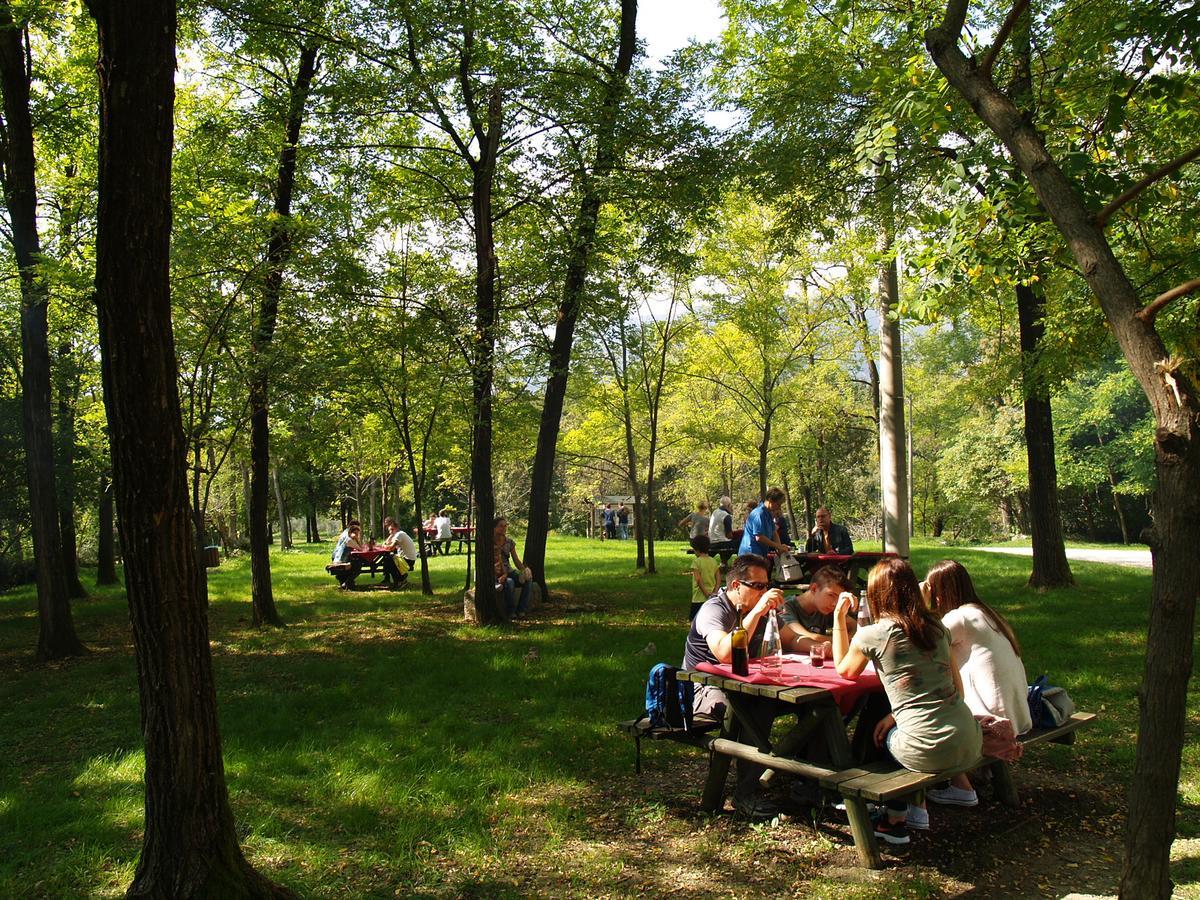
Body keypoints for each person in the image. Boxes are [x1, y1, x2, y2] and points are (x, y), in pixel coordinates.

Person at [833, 558, 982, 845]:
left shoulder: (874, 634)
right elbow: (957, 691)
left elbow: (844, 670)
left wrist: (839, 618)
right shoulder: (937, 629)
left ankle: (895, 819)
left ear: (877, 595)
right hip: (969, 740)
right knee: (887, 722)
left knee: (881, 736)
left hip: (926, 747)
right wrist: (895, 714)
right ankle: (916, 808)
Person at [682, 553, 785, 819]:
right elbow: (725, 653)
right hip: (700, 690)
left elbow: (790, 637)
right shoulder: (713, 609)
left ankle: (807, 781)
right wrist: (760, 610)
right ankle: (745, 794)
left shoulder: (755, 609)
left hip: (740, 685)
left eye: (767, 585)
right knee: (753, 706)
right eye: (758, 586)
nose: (765, 591)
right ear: (737, 586)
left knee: (812, 704)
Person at [922, 559, 1031, 807]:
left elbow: (919, 645)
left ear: (940, 592)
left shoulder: (960, 618)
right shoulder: (986, 613)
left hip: (995, 722)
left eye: (932, 589)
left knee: (927, 711)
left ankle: (959, 786)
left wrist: (920, 605)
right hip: (1019, 714)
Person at [779, 565, 858, 654]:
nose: (835, 603)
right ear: (814, 588)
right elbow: (802, 635)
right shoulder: (785, 607)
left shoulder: (827, 608)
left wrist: (846, 640)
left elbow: (855, 626)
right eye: (831, 595)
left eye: (838, 598)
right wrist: (842, 642)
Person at [494, 517, 532, 619]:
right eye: (500, 526)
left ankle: (521, 609)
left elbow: (516, 560)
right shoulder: (488, 542)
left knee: (527, 580)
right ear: (494, 528)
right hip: (496, 572)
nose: (504, 528)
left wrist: (524, 570)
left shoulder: (509, 542)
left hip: (508, 570)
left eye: (505, 526)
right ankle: (511, 611)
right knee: (509, 582)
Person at [738, 487, 791, 557]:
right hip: (750, 554)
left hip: (760, 553)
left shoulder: (768, 514)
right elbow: (759, 537)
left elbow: (774, 533)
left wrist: (779, 548)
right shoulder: (759, 514)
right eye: (778, 504)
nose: (779, 507)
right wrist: (778, 546)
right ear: (770, 500)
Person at [688, 535, 721, 621]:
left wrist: (706, 593)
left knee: (694, 619)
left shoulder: (696, 562)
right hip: (712, 596)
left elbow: (698, 580)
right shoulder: (713, 561)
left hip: (698, 597)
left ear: (697, 550)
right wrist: (715, 592)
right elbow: (718, 579)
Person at [380, 516, 418, 586]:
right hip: (405, 559)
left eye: (391, 529)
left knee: (388, 560)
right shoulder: (397, 534)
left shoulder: (399, 535)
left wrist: (385, 545)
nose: (389, 531)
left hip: (408, 560)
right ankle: (399, 579)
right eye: (389, 530)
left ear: (395, 528)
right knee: (388, 559)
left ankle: (399, 580)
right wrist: (391, 535)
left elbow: (390, 548)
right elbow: (385, 543)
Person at [331, 522, 364, 589]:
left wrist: (356, 539)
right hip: (340, 561)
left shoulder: (349, 539)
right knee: (358, 566)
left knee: (356, 563)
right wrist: (357, 539)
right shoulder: (349, 540)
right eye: (355, 533)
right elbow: (361, 549)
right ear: (350, 532)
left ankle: (347, 582)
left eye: (357, 533)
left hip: (339, 559)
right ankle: (347, 582)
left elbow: (360, 547)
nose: (356, 535)